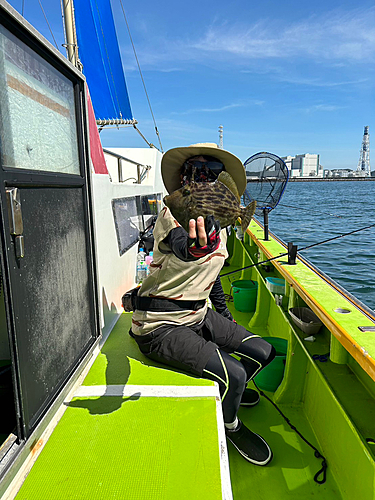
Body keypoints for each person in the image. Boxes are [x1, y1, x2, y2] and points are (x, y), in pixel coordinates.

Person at [130, 143, 276, 465]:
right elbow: (184, 247)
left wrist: (225, 320)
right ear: (183, 178)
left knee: (265, 352)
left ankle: (229, 395)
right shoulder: (172, 215)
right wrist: (198, 249)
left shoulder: (221, 227)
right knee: (235, 373)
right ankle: (230, 424)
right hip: (159, 326)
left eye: (210, 171)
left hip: (199, 313)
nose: (201, 177)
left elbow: (215, 278)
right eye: (193, 171)